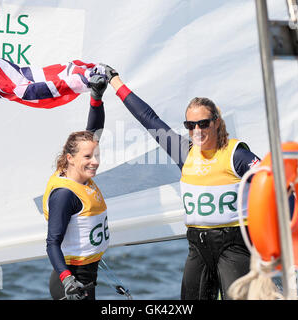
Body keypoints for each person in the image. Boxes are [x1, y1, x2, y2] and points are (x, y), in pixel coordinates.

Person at [100, 64, 261, 300]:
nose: (197, 130)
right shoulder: (183, 151)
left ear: (216, 122)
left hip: (234, 245)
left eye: (203, 123)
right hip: (198, 246)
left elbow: (273, 184)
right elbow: (148, 118)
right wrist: (115, 81)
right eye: (190, 125)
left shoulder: (236, 154)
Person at [42, 74, 108, 300]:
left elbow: (94, 130)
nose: (95, 161)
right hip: (72, 283)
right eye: (88, 156)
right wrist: (68, 280)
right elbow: (52, 243)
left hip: (88, 276)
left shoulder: (82, 177)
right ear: (70, 158)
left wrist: (96, 98)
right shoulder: (64, 195)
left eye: (96, 155)